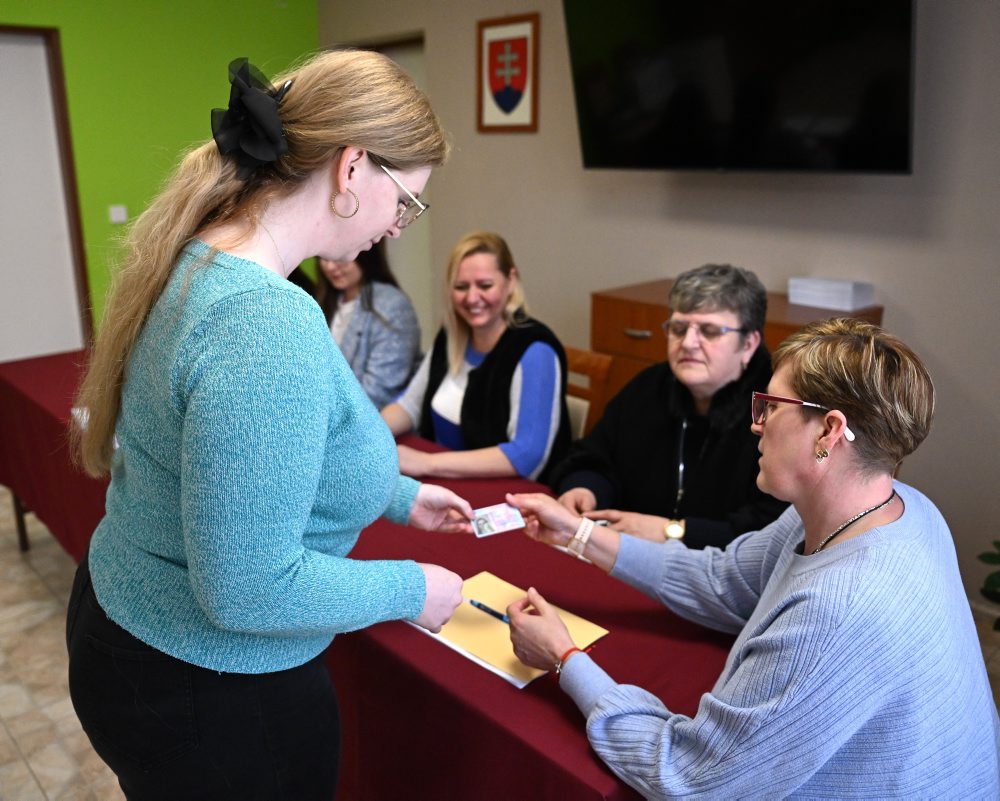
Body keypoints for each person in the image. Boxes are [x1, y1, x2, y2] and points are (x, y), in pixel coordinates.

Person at [66, 52, 473, 801]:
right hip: (206, 688)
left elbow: (256, 455)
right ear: (354, 170)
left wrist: (399, 495)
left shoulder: (204, 258)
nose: (399, 226)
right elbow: (250, 590)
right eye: (407, 202)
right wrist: (411, 588)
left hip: (130, 622)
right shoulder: (264, 320)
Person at [504, 318, 1000, 798]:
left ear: (829, 432)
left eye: (769, 407)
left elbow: (689, 780)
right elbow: (723, 581)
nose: (755, 424)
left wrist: (564, 659)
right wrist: (580, 534)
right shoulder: (902, 506)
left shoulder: (839, 608)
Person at [548, 263, 787, 549]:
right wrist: (585, 488)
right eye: (678, 328)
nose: (687, 343)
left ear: (748, 343)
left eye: (709, 331)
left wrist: (674, 531)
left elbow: (772, 532)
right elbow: (594, 456)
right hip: (625, 556)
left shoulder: (775, 410)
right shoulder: (649, 387)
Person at [381, 231, 571, 482]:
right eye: (461, 287)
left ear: (510, 281)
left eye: (485, 285)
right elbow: (409, 406)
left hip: (507, 495)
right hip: (443, 481)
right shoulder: (451, 334)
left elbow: (526, 455)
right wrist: (366, 437)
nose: (472, 298)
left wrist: (427, 463)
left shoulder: (535, 350)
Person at [314, 241, 421, 409]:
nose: (330, 267)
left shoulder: (390, 305)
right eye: (324, 258)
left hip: (371, 423)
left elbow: (378, 392)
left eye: (340, 258)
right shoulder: (326, 302)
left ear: (365, 253)